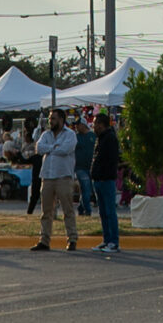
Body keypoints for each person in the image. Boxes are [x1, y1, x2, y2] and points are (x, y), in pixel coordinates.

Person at [30, 108, 80, 251]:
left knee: (67, 209)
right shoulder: (46, 134)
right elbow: (39, 148)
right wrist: (53, 147)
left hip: (63, 177)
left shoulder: (70, 135)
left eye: (53, 118)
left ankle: (72, 239)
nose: (50, 121)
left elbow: (66, 150)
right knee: (46, 211)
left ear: (61, 120)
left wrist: (50, 149)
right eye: (50, 118)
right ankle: (44, 240)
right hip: (47, 176)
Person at [88, 111, 123, 253]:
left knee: (109, 211)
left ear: (101, 125)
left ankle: (114, 241)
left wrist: (102, 172)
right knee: (103, 212)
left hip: (106, 180)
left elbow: (110, 160)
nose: (93, 126)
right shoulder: (100, 138)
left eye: (95, 123)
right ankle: (106, 239)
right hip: (99, 179)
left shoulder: (110, 139)